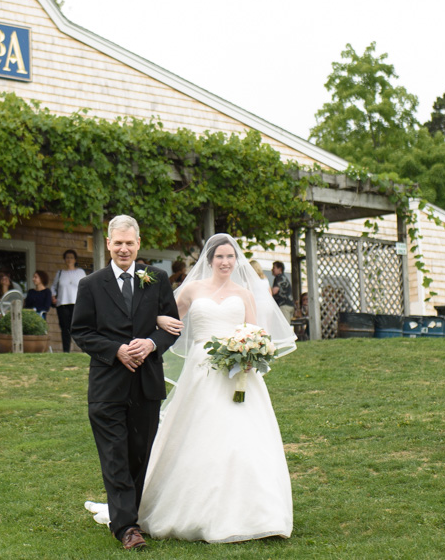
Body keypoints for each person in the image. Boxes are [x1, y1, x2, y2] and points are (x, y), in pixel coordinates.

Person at [89, 233, 296, 543]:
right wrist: (152, 326)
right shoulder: (193, 290)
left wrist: (252, 350)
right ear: (209, 260)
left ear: (235, 260)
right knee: (199, 434)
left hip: (239, 374)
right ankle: (185, 508)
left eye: (230, 257)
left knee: (244, 438)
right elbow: (167, 318)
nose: (225, 262)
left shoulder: (245, 293)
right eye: (219, 257)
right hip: (202, 370)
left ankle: (258, 513)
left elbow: (255, 331)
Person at [72, 215, 179, 551]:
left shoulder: (156, 279)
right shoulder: (91, 285)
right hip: (107, 385)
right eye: (117, 243)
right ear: (108, 244)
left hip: (146, 384)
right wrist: (116, 349)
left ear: (138, 244)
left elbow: (171, 327)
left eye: (129, 243)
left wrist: (151, 344)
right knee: (115, 455)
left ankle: (127, 516)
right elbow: (81, 332)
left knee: (138, 455)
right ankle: (127, 528)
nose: (123, 248)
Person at [52, 249, 86, 353]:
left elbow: (86, 286)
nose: (69, 259)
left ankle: (84, 349)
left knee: (78, 327)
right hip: (63, 303)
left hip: (77, 304)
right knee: (65, 328)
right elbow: (53, 287)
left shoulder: (80, 272)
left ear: (75, 259)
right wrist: (53, 296)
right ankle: (66, 351)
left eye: (71, 257)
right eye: (67, 257)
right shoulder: (60, 273)